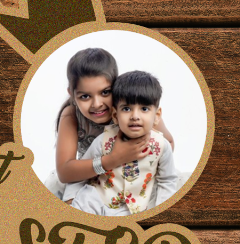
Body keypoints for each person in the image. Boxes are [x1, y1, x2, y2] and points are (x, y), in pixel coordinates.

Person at [48, 47, 175, 204]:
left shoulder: (135, 112)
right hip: (89, 179)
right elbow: (65, 172)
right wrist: (113, 159)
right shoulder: (71, 115)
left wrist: (145, 155)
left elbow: (168, 143)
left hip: (135, 181)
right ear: (72, 94)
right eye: (85, 96)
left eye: (105, 92)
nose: (97, 104)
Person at [71, 71, 178, 216]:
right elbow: (81, 173)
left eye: (144, 109)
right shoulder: (102, 141)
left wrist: (161, 212)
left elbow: (167, 180)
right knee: (84, 202)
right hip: (97, 199)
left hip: (131, 209)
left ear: (157, 116)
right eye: (126, 109)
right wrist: (70, 200)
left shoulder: (162, 146)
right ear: (115, 115)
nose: (135, 116)